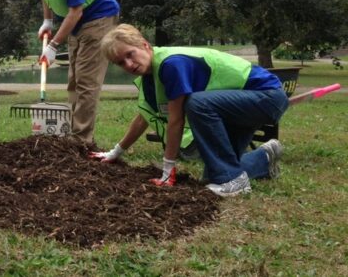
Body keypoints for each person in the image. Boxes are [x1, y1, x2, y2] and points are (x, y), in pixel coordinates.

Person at [90, 24, 288, 197]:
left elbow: (176, 120)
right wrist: (116, 152)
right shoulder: (151, 76)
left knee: (197, 104)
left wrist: (168, 170)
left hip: (266, 96)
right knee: (214, 176)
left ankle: (235, 183)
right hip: (238, 107)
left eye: (129, 54)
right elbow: (144, 117)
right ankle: (264, 158)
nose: (128, 64)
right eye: (120, 62)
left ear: (144, 44)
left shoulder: (171, 65)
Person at [25, 0, 120, 146]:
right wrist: (47, 20)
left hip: (98, 18)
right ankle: (72, 133)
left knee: (87, 82)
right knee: (74, 80)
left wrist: (53, 45)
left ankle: (81, 141)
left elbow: (76, 11)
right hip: (77, 21)